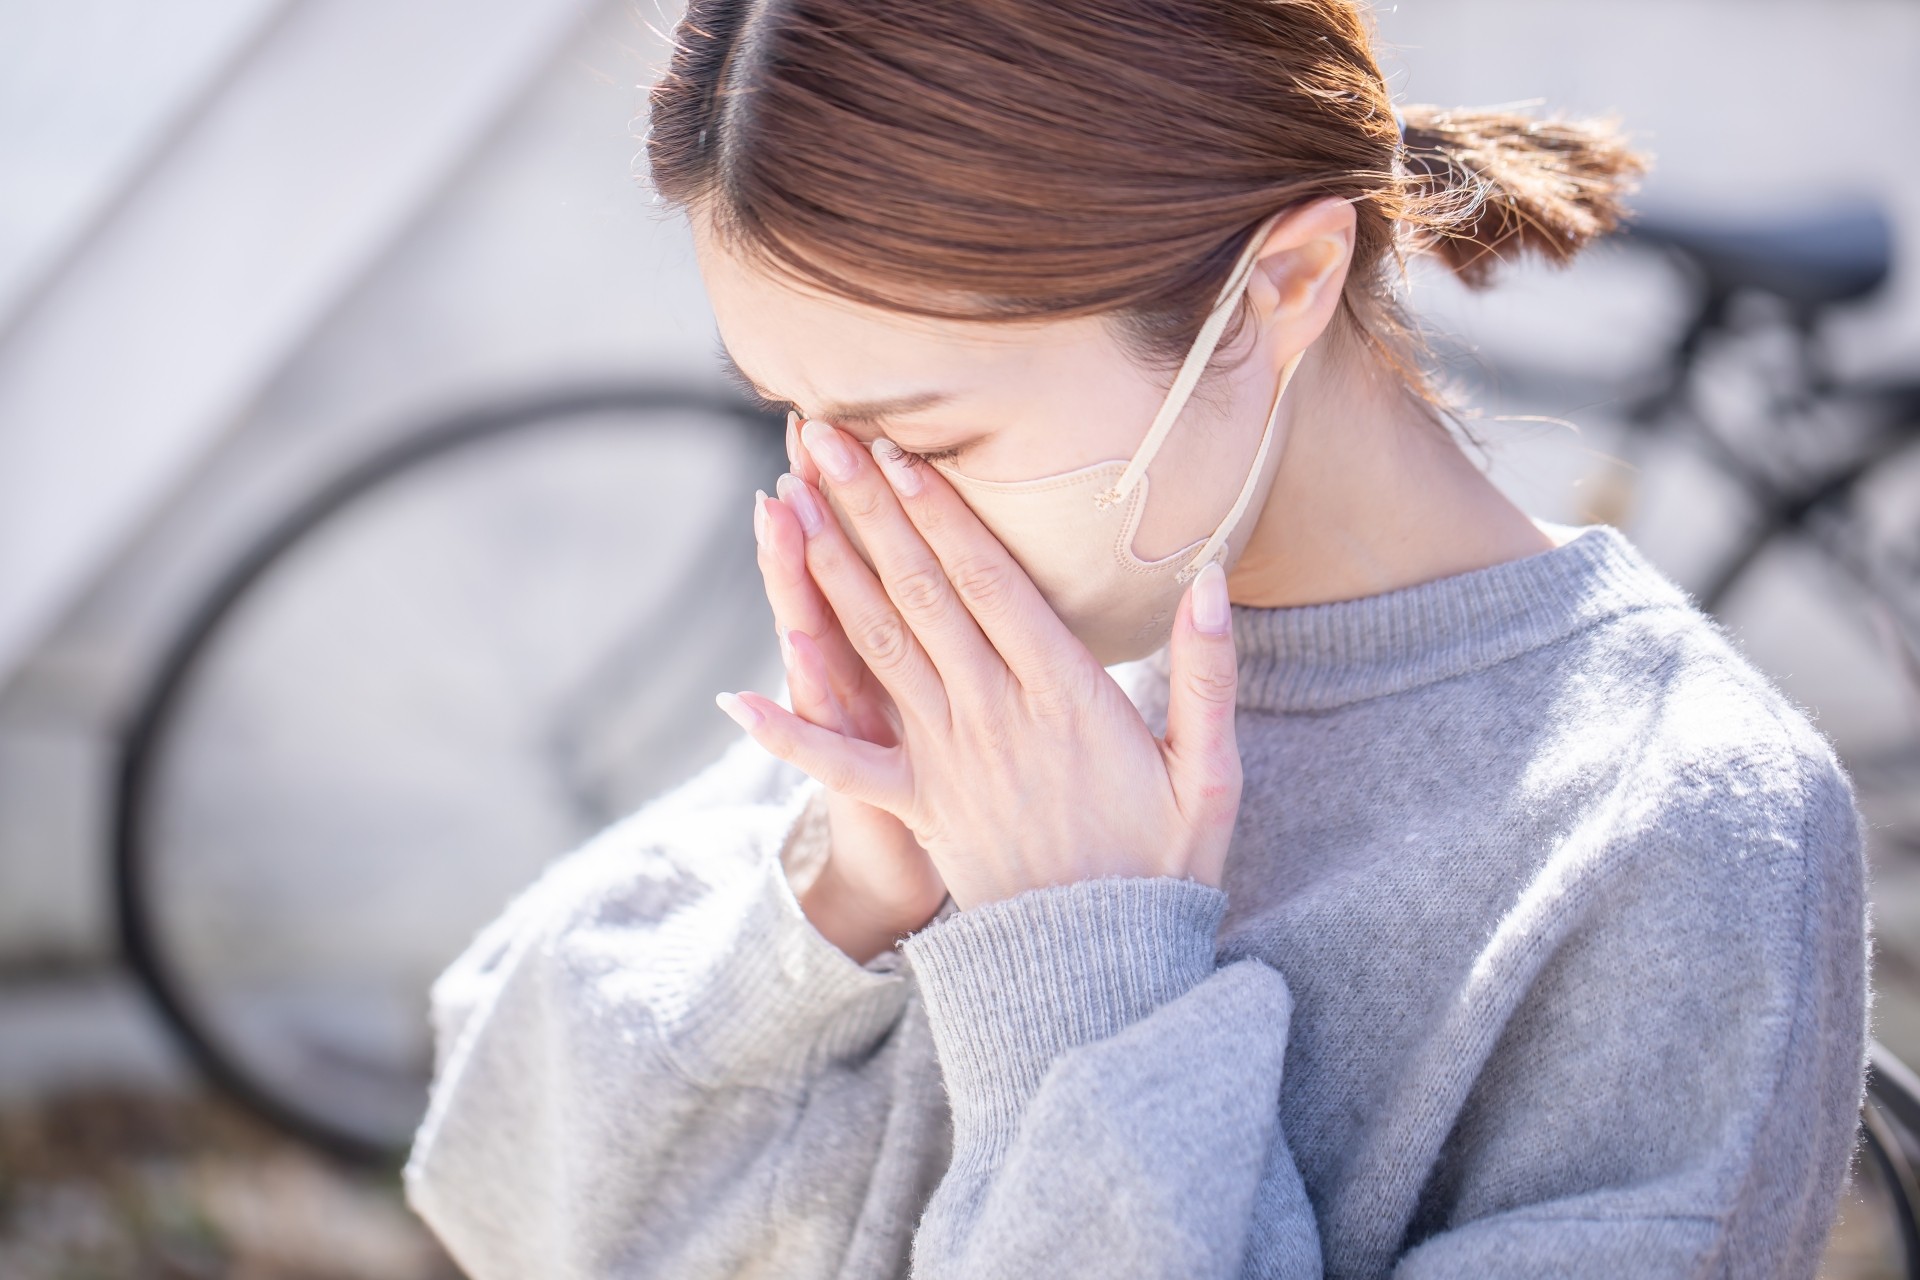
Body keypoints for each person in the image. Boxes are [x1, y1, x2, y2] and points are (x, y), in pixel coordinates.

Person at [401, 0, 1872, 1275]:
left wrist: (1085, 967)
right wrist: (833, 898)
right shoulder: (1034, 645)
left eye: (929, 439)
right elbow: (498, 1173)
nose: (856, 509)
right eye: (799, 418)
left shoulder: (1667, 830)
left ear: (1279, 290)